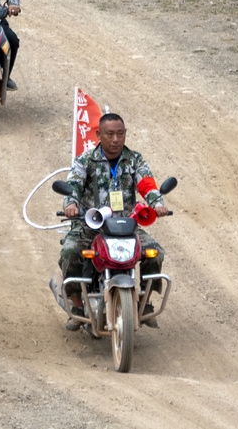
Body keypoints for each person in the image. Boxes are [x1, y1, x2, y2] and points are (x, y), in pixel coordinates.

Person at [57, 113, 172, 325]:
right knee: (70, 252)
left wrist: (156, 203)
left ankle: (144, 301)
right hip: (91, 225)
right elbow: (73, 185)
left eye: (120, 134)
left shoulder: (134, 160)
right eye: (109, 134)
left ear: (125, 134)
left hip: (127, 226)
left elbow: (147, 183)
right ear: (98, 134)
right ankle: (76, 304)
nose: (115, 139)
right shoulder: (85, 161)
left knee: (154, 253)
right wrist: (71, 205)